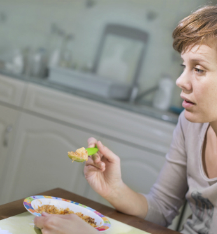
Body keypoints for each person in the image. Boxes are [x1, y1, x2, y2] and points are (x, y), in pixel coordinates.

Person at [35, 5, 217, 234]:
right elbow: (161, 209)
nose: (180, 80)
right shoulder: (189, 124)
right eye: (184, 66)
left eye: (198, 69)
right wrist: (115, 190)